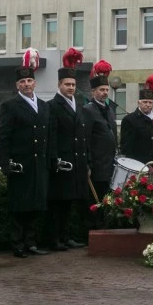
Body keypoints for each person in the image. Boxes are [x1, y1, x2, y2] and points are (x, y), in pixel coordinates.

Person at [0, 48, 50, 258]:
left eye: (29, 81)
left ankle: (31, 242)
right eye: (22, 82)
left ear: (35, 83)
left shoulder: (44, 107)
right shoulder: (10, 106)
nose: (27, 84)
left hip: (40, 165)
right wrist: (5, 163)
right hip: (21, 165)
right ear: (17, 85)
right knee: (20, 207)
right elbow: (4, 137)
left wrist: (50, 160)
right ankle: (18, 243)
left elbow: (49, 136)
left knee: (36, 205)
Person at [46, 48, 89, 251]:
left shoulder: (77, 105)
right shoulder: (52, 106)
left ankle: (66, 236)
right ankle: (54, 239)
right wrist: (54, 160)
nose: (71, 88)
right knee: (58, 204)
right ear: (59, 85)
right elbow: (51, 136)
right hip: (62, 163)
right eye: (67, 84)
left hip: (77, 161)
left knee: (70, 202)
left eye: (73, 85)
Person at [82, 59, 117, 208]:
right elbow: (86, 139)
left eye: (106, 90)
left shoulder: (109, 110)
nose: (104, 93)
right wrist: (88, 164)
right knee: (95, 204)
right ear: (93, 92)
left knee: (107, 204)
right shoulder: (88, 110)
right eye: (101, 90)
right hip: (96, 167)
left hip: (109, 166)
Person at [119, 73, 153, 165]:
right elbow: (126, 148)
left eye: (150, 102)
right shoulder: (130, 120)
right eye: (144, 102)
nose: (148, 104)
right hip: (139, 167)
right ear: (139, 103)